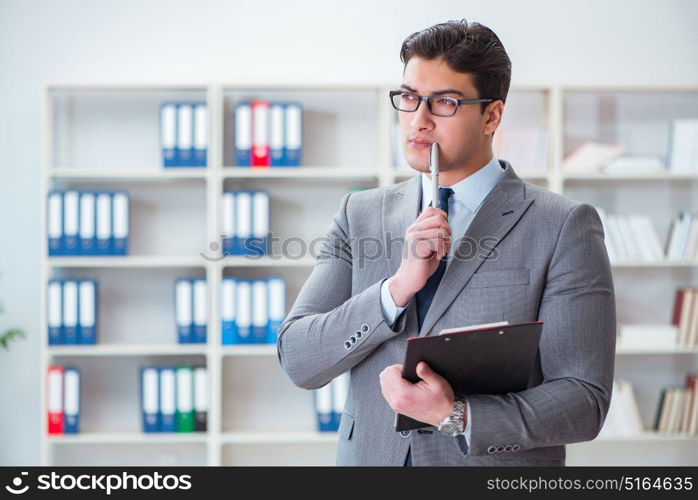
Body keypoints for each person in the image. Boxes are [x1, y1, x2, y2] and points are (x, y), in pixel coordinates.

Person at [277, 19, 616, 466]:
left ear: (492, 116)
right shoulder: (359, 214)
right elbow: (300, 359)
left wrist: (455, 415)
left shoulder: (563, 225)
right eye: (409, 98)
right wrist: (396, 288)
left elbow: (583, 401)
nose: (418, 120)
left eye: (445, 103)